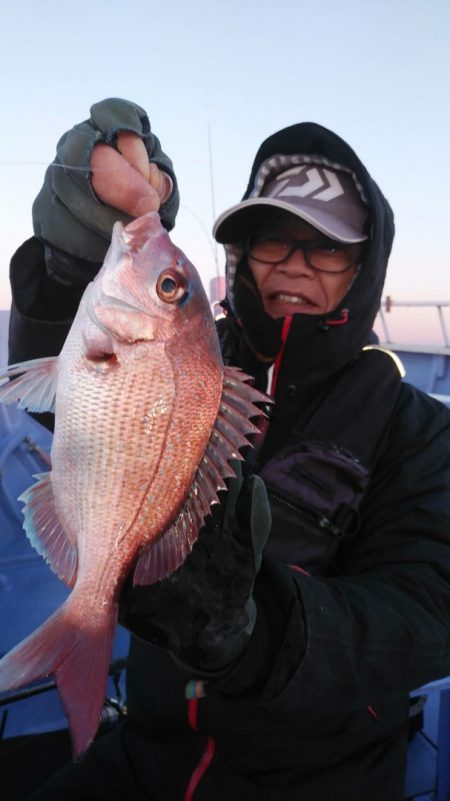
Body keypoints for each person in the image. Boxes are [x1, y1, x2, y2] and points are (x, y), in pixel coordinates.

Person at [6, 98, 450, 801]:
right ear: (243, 256)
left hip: (317, 782)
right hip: (151, 749)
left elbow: (427, 610)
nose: (295, 267)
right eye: (272, 240)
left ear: (366, 265)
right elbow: (76, 407)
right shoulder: (197, 354)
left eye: (328, 246)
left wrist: (255, 631)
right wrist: (67, 265)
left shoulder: (419, 431)